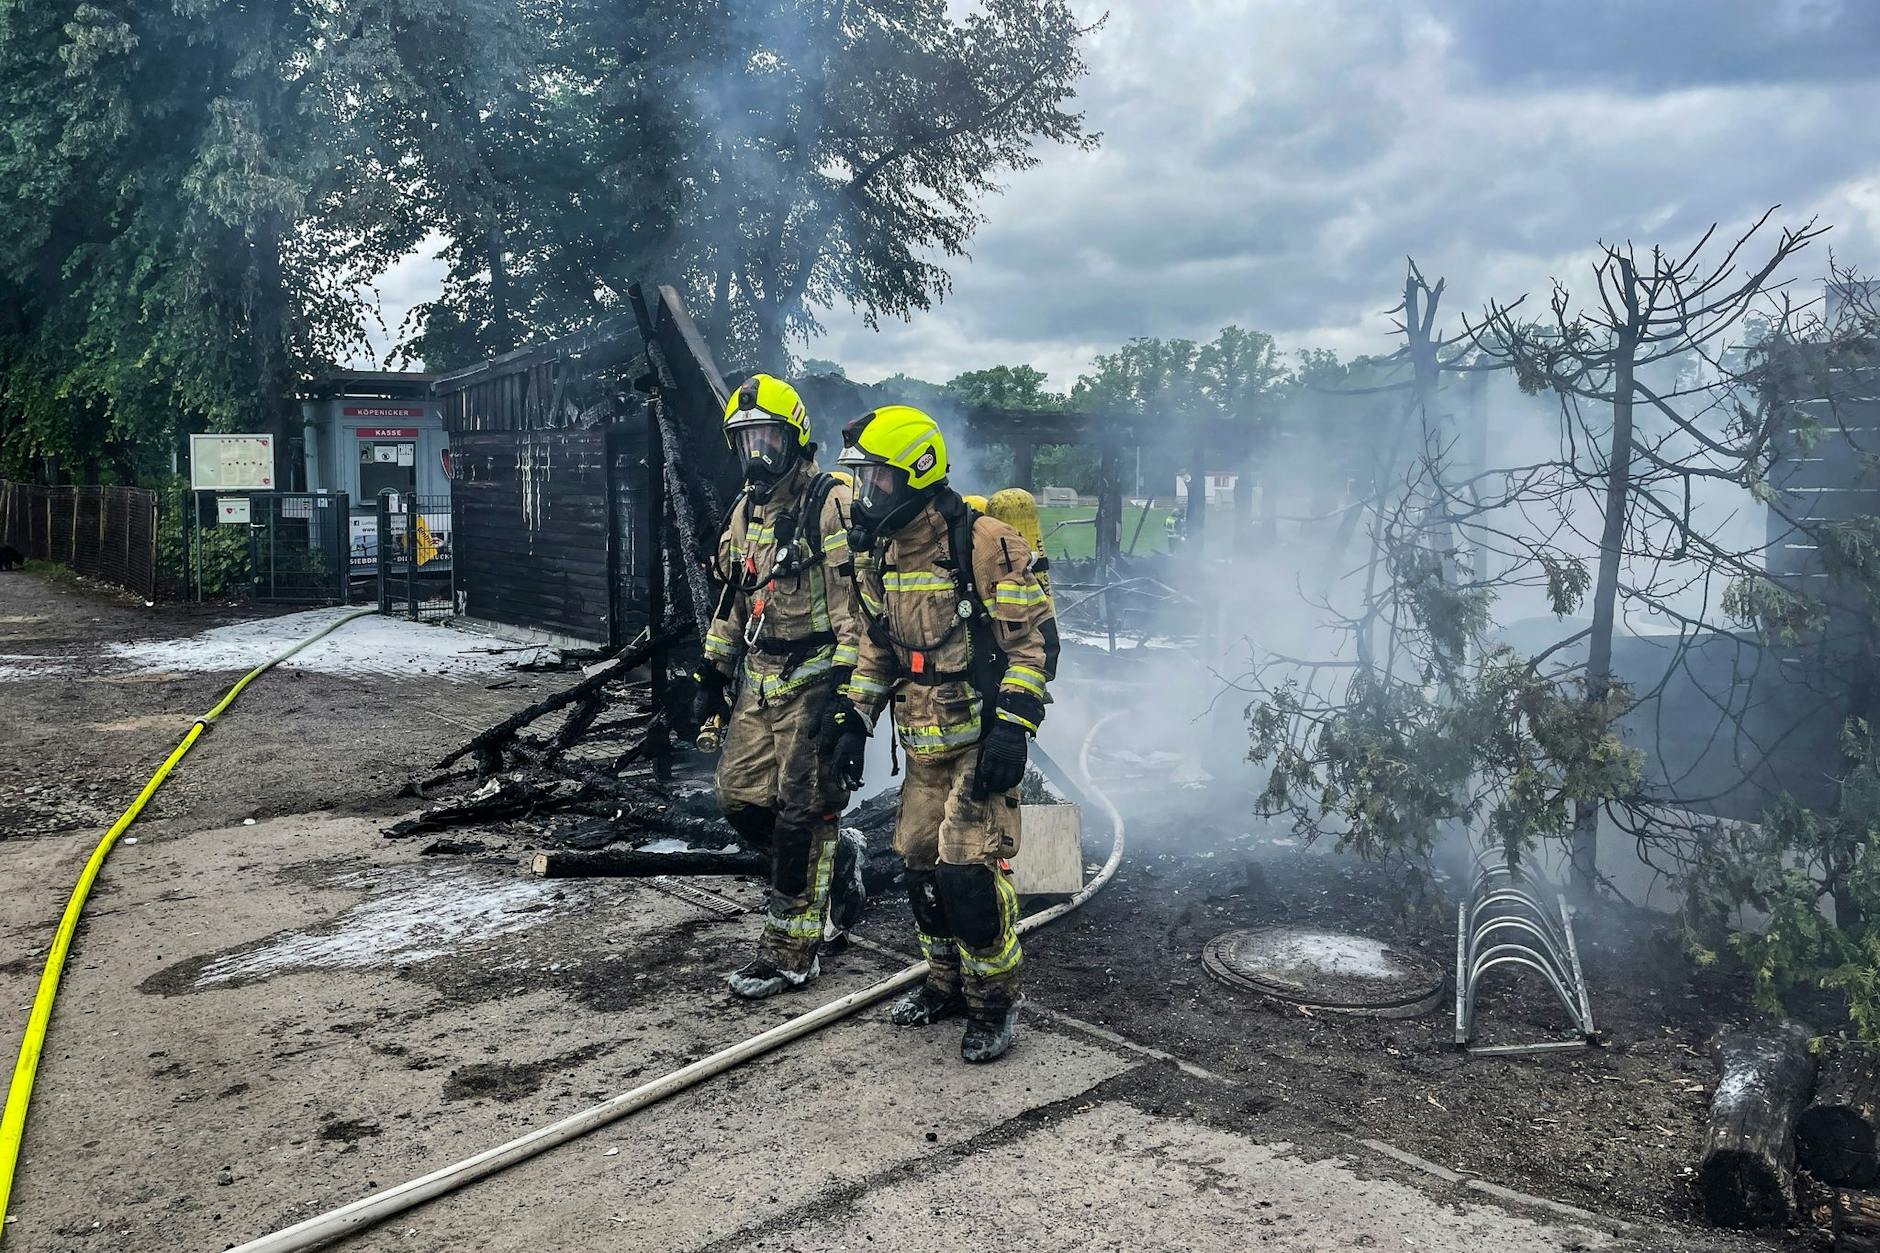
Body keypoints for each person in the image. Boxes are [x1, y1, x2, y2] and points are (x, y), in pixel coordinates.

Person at [820, 406, 1057, 1063]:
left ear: (917, 474)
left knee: (966, 877)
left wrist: (1014, 727)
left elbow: (1033, 647)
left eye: (878, 482)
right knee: (920, 867)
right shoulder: (885, 552)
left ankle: (992, 1006)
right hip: (923, 740)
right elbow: (878, 650)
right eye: (862, 482)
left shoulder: (984, 543)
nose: (867, 497)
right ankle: (945, 984)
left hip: (980, 740)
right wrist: (851, 718)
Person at [694, 373, 866, 1000]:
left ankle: (793, 952)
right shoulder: (745, 511)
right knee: (739, 801)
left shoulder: (832, 503)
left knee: (803, 815)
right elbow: (736, 599)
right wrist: (711, 675)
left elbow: (858, 612)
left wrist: (849, 705)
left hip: (818, 675)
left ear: (794, 437)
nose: (756, 454)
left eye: (766, 438)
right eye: (744, 441)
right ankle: (840, 862)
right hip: (759, 677)